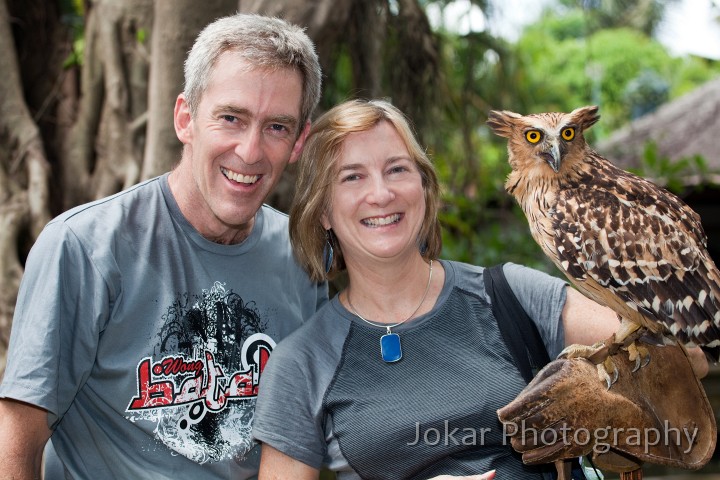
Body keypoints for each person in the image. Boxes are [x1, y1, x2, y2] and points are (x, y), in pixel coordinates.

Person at [251, 99, 708, 479]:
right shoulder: (300, 366)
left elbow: (689, 354)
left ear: (425, 189)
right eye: (352, 177)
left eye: (397, 169)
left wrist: (606, 386)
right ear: (322, 210)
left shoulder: (508, 295)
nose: (381, 193)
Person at [0, 13, 326, 479]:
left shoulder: (301, 258)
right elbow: (16, 443)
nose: (250, 151)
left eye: (277, 127)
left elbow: (305, 437)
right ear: (185, 118)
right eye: (231, 118)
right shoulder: (86, 248)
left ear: (298, 143)